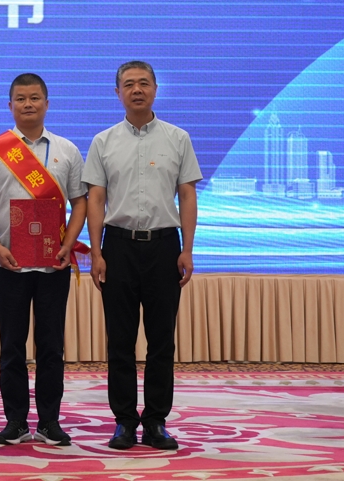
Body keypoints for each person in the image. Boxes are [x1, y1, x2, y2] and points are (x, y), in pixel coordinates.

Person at [84, 60, 201, 451]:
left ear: (155, 89)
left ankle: (155, 422)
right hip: (118, 247)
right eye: (129, 84)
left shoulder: (178, 138)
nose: (137, 90)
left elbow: (187, 194)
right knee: (120, 340)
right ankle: (123, 422)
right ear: (117, 92)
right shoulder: (103, 142)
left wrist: (187, 249)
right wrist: (96, 252)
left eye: (144, 83)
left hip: (164, 247)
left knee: (161, 340)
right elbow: (96, 198)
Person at [0, 73, 86, 446]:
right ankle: (16, 421)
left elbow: (80, 202)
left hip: (54, 262)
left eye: (35, 98)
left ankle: (49, 421)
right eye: (21, 98)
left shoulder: (67, 150)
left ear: (47, 104)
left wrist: (69, 242)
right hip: (8, 263)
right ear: (10, 106)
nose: (28, 104)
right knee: (11, 346)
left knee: (51, 346)